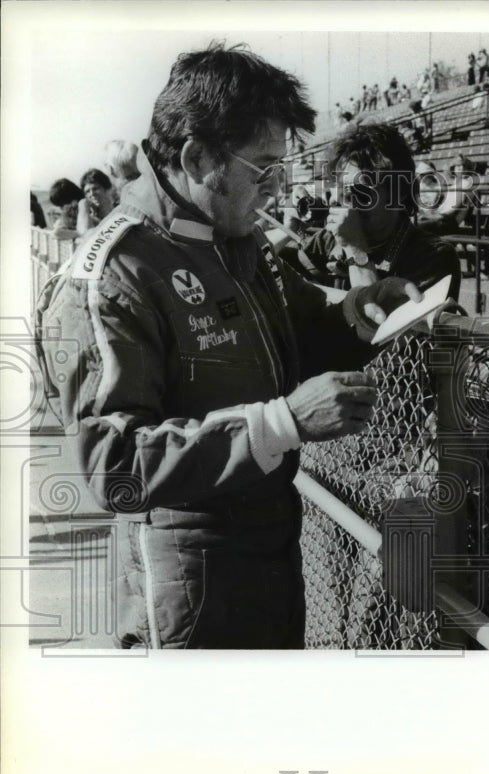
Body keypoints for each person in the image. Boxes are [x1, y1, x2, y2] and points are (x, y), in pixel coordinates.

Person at [35, 44, 424, 650]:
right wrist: (281, 422)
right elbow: (114, 468)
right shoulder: (116, 271)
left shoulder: (234, 233)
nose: (276, 189)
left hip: (273, 552)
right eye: (263, 168)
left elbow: (300, 318)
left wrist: (356, 309)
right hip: (190, 577)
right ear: (196, 158)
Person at [299, 122, 460, 301]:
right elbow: (272, 283)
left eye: (360, 191)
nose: (343, 200)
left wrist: (356, 251)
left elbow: (381, 323)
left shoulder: (434, 257)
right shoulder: (328, 241)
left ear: (399, 193)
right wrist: (285, 229)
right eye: (339, 189)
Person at [76, 167, 117, 234]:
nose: (92, 194)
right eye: (87, 191)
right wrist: (83, 204)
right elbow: (85, 232)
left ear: (106, 188)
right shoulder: (91, 220)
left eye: (95, 188)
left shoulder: (121, 208)